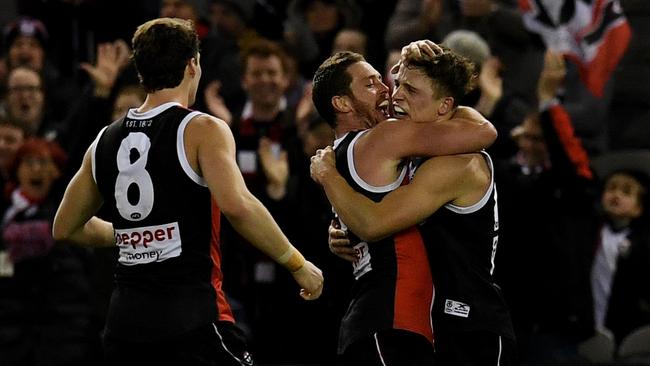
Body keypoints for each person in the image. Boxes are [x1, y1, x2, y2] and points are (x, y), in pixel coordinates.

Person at [51, 18, 323, 366]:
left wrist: (131, 235)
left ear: (141, 71)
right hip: (190, 319)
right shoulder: (201, 128)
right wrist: (297, 263)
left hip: (123, 327)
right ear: (192, 64)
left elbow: (65, 226)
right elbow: (237, 206)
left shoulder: (104, 139)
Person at [311, 44, 516, 365]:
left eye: (408, 88)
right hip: (408, 322)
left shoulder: (457, 163)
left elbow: (373, 223)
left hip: (470, 324)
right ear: (342, 102)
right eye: (380, 83)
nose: (392, 94)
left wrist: (330, 179)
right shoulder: (396, 149)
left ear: (445, 106)